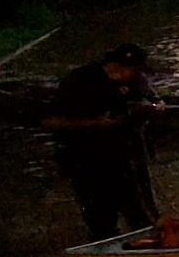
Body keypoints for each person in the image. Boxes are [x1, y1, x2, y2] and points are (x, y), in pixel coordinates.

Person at [42, 43, 164, 241]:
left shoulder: (136, 81)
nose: (139, 76)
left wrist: (155, 106)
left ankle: (149, 246)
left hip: (126, 156)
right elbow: (50, 121)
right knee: (100, 215)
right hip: (86, 158)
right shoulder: (79, 81)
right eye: (135, 70)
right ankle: (106, 248)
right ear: (118, 67)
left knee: (141, 210)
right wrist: (95, 122)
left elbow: (152, 98)